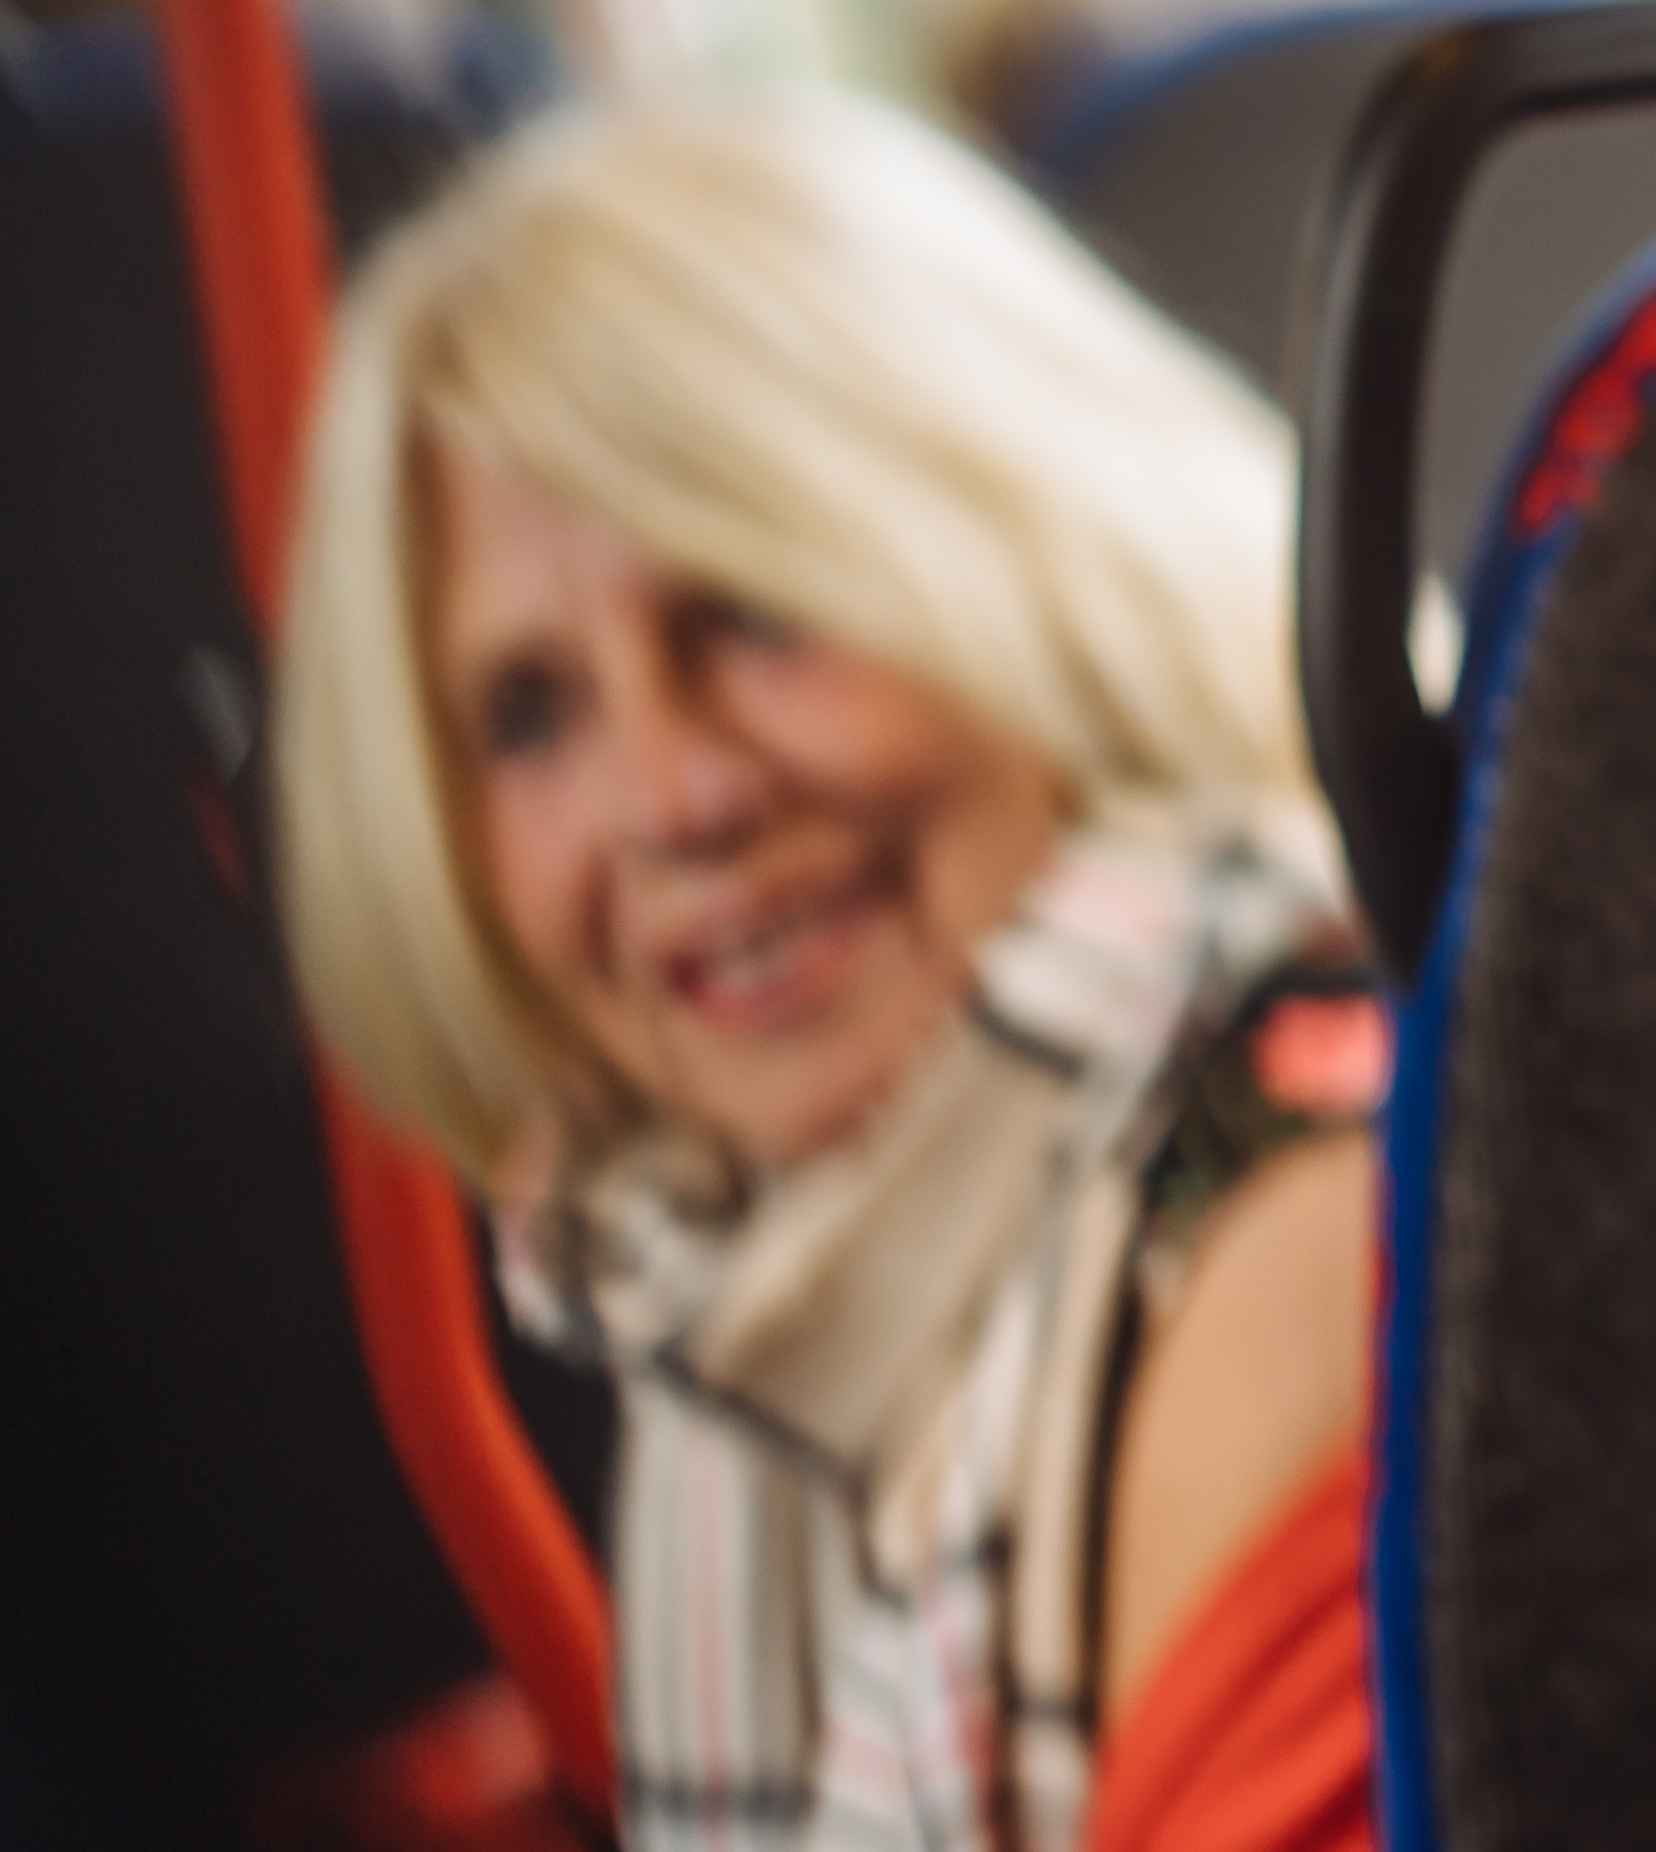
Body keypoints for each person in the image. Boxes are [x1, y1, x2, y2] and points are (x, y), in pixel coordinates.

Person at [270, 90, 1380, 1852]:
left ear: (1041, 551)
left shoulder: (1296, 1213)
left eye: (754, 611)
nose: (675, 796)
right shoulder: (743, 1278)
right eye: (529, 711)